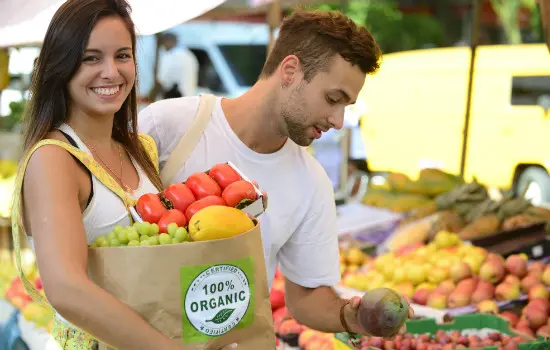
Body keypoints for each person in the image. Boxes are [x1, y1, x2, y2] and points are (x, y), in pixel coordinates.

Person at [139, 9, 410, 338]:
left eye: (346, 106)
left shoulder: (311, 182)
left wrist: (352, 316)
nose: (338, 121)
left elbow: (306, 298)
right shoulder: (168, 125)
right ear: (291, 71)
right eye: (333, 99)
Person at [10, 0, 185, 349]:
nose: (111, 72)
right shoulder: (53, 158)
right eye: (91, 58)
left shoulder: (142, 150)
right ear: (61, 66)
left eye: (122, 55)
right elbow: (66, 289)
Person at [155, 32, 199, 99]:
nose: (163, 45)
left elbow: (161, 80)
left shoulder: (169, 56)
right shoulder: (190, 55)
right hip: (189, 97)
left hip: (173, 97)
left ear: (168, 41)